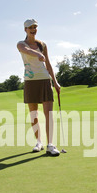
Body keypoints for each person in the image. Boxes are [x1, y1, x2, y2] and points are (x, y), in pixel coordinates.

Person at [17, 19, 62, 156]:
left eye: (35, 27)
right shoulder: (21, 44)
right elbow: (26, 50)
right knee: (34, 114)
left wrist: (55, 81)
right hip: (30, 81)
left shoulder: (42, 45)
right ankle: (39, 142)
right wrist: (37, 54)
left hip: (44, 79)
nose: (33, 29)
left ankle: (50, 144)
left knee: (48, 114)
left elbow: (48, 63)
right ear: (25, 29)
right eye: (30, 27)